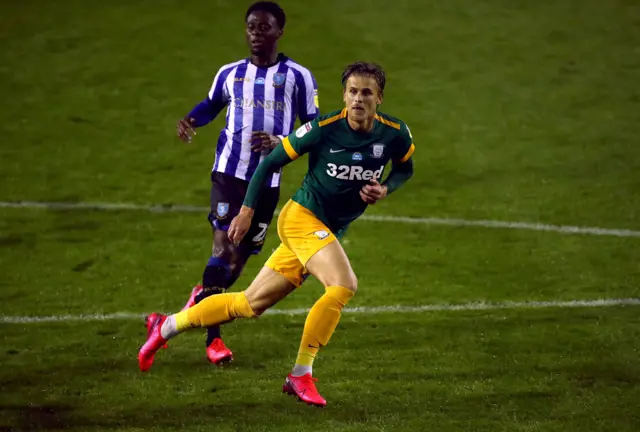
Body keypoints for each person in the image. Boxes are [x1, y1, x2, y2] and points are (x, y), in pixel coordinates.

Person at [139, 62, 415, 407]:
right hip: (301, 219)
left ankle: (165, 327)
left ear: (380, 98)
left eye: (367, 93)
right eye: (352, 91)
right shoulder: (323, 128)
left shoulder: (394, 133)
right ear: (344, 95)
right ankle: (301, 375)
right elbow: (270, 163)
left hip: (325, 229)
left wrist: (386, 188)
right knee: (344, 285)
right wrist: (246, 210)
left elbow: (405, 168)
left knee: (248, 304)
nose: (358, 99)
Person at [147, 1, 320, 365]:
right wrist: (190, 120)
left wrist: (283, 143)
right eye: (251, 27)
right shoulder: (230, 73)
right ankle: (213, 340)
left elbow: (314, 126)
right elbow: (212, 104)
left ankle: (190, 306)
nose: (256, 33)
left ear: (279, 32)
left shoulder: (298, 77)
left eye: (264, 27)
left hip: (267, 180)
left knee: (237, 265)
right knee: (223, 249)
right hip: (229, 174)